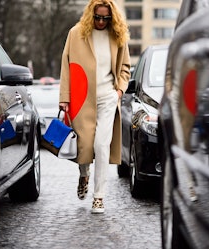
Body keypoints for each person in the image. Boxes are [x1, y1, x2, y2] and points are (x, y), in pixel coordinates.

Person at [59, 0, 131, 214]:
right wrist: (65, 97)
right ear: (91, 14)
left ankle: (99, 196)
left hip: (108, 97)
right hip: (82, 98)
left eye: (105, 18)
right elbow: (66, 65)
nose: (101, 21)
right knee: (85, 146)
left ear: (112, 17)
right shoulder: (76, 33)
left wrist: (119, 90)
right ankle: (84, 174)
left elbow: (125, 67)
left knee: (101, 145)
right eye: (97, 17)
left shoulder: (118, 34)